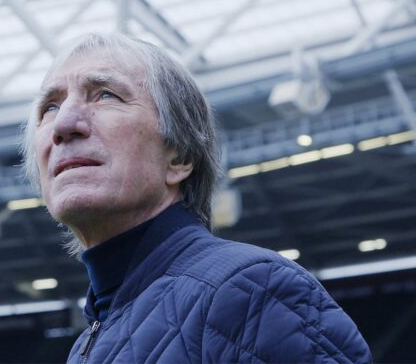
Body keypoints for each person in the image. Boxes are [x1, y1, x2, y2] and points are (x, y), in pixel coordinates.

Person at [23, 33, 371, 363]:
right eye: (49, 107)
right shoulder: (90, 338)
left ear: (180, 157)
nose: (63, 124)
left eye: (106, 95)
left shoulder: (252, 290)